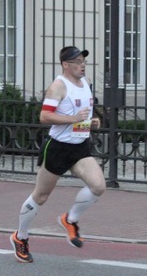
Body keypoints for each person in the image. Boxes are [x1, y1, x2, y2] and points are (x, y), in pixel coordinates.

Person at [10, 46, 104, 263]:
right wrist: (74, 119)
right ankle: (20, 237)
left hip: (80, 146)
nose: (82, 65)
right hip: (58, 147)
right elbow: (45, 117)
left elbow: (82, 116)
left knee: (98, 186)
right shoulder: (58, 87)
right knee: (41, 196)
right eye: (77, 62)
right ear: (65, 65)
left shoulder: (86, 83)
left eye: (83, 61)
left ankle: (70, 220)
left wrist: (91, 123)